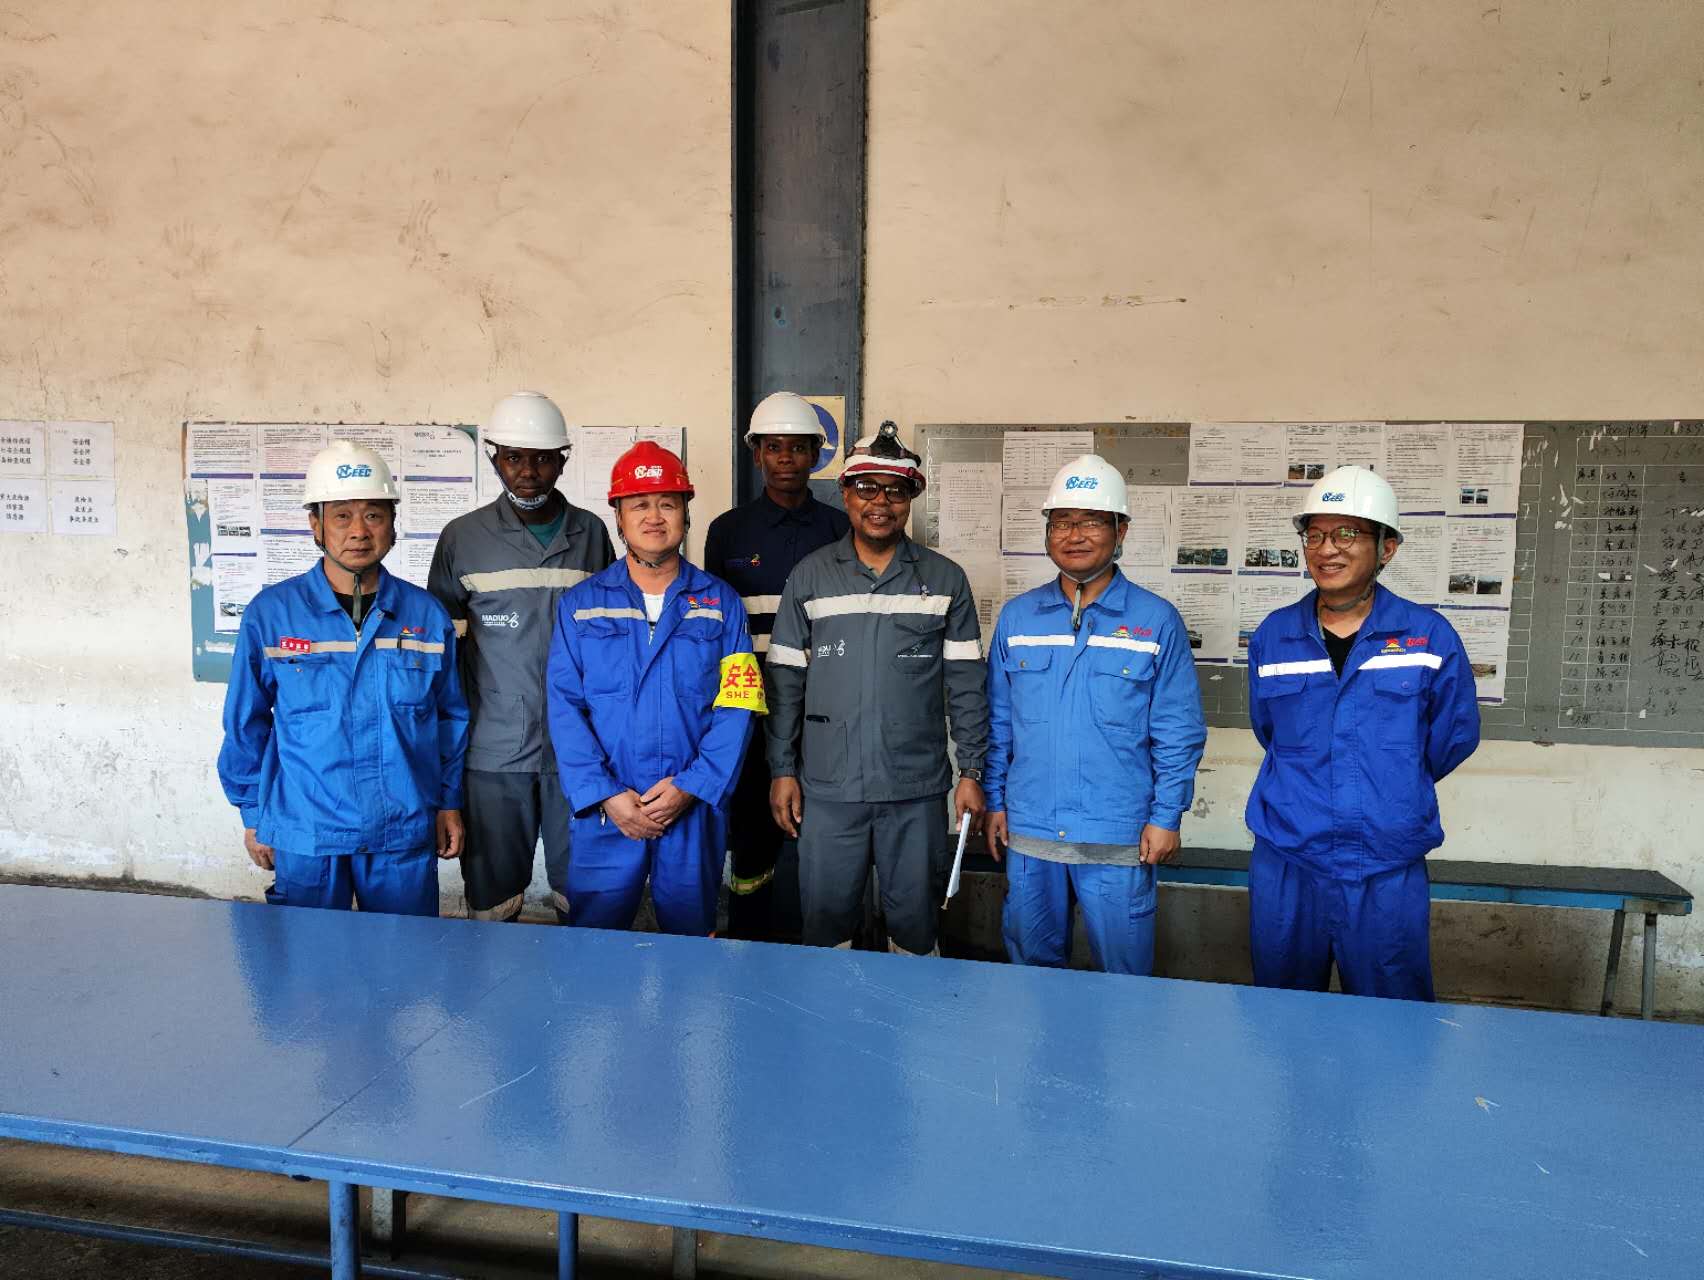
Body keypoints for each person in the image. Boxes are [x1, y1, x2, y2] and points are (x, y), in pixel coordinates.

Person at [1245, 465, 1481, 1000]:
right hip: (1289, 857)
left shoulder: (1428, 636)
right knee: (1281, 1011)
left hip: (1385, 861)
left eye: (1347, 533)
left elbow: (1453, 737)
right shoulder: (1275, 635)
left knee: (1391, 1017)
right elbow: (1268, 730)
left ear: (1386, 548)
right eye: (1315, 535)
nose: (1327, 549)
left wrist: (1391, 782)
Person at [766, 421, 989, 956]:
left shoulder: (945, 579)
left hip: (914, 788)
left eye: (895, 491)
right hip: (828, 788)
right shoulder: (810, 577)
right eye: (867, 488)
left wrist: (972, 772)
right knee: (826, 926)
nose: (880, 503)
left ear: (911, 499)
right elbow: (785, 683)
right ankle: (830, 1010)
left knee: (915, 926)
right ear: (845, 493)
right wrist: (782, 770)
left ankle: (910, 1009)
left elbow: (966, 686)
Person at [218, 441, 468, 915]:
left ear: (393, 524)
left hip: (401, 829)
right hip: (306, 830)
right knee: (308, 959)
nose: (358, 531)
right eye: (341, 516)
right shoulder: (271, 615)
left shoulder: (426, 616)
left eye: (373, 515)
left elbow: (450, 719)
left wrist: (448, 802)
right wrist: (254, 813)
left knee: (403, 956)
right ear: (315, 525)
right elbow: (245, 723)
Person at [984, 455, 1206, 975]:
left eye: (1091, 521)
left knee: (1124, 980)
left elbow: (1178, 731)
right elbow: (998, 723)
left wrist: (1166, 816)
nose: (1074, 535)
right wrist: (994, 800)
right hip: (1032, 831)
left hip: (1119, 835)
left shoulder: (1155, 621)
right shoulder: (1018, 618)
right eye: (1062, 521)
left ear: (1120, 530)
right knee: (1031, 978)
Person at [545, 442, 762, 935]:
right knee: (595, 943)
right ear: (619, 518)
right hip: (608, 809)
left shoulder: (721, 603)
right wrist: (605, 793)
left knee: (691, 943)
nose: (654, 517)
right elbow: (564, 706)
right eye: (639, 504)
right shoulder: (581, 605)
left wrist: (693, 786)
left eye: (667, 503)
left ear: (686, 512)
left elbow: (739, 703)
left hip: (690, 806)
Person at [428, 392, 615, 923]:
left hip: (579, 752)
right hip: (492, 753)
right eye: (513, 457)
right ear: (494, 458)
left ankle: (581, 981)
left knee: (584, 895)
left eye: (542, 458)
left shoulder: (592, 533)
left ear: (563, 460)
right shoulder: (462, 538)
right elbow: (444, 662)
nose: (528, 471)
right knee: (492, 900)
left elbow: (609, 646)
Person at [702, 392, 849, 939]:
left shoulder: (840, 529)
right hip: (752, 714)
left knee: (821, 834)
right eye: (773, 447)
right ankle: (749, 944)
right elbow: (716, 630)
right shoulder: (728, 531)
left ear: (816, 454)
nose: (786, 457)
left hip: (824, 713)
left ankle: (812, 944)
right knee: (752, 833)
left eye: (798, 447)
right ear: (757, 454)